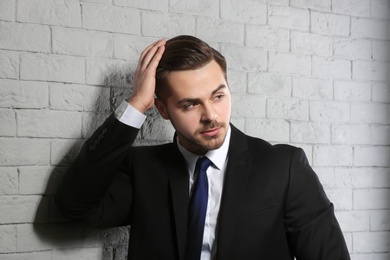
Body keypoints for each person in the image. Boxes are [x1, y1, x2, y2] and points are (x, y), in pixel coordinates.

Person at [56, 35, 350, 260]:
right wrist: (136, 105)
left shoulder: (284, 167)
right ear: (162, 108)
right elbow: (76, 205)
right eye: (191, 104)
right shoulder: (143, 169)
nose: (211, 115)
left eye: (218, 96)